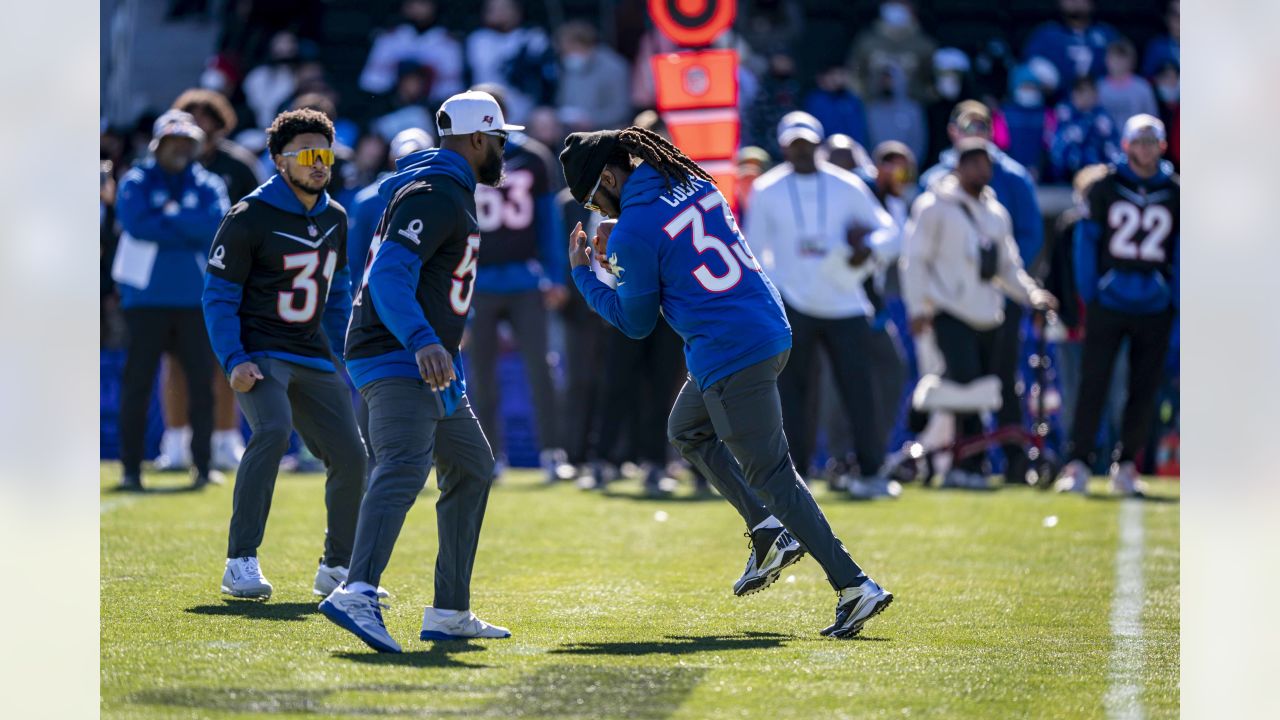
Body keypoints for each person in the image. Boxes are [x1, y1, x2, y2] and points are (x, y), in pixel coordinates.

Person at [561, 126, 894, 638]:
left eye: (595, 197)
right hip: (765, 327)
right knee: (687, 429)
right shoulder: (689, 178)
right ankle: (765, 531)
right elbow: (673, 246)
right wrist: (624, 243)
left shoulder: (633, 229)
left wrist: (587, 275)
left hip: (729, 350)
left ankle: (854, 585)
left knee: (774, 475)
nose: (598, 210)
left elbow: (636, 323)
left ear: (608, 176)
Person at [319, 90, 518, 652]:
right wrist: (424, 339)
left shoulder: (443, 188)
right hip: (399, 353)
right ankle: (356, 590)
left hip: (426, 359)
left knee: (473, 465)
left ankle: (449, 609)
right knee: (405, 463)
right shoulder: (435, 193)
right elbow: (386, 276)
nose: (503, 150)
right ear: (478, 139)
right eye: (500, 139)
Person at [202, 108, 369, 601]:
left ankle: (337, 567)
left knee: (352, 456)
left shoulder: (336, 216)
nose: (320, 164)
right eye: (308, 155)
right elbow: (217, 296)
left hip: (313, 354)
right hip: (262, 352)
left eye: (327, 155)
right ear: (279, 161)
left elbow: (337, 295)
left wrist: (346, 353)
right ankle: (240, 561)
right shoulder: (248, 215)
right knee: (273, 431)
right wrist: (234, 359)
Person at [745, 112, 898, 499]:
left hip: (845, 301)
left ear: (818, 143)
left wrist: (868, 249)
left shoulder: (846, 185)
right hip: (792, 302)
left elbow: (891, 232)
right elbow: (752, 251)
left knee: (859, 390)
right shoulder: (766, 188)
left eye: (808, 143)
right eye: (794, 144)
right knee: (794, 396)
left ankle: (872, 471)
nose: (801, 151)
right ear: (783, 147)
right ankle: (797, 478)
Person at [900, 138, 1056, 489]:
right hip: (949, 311)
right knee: (966, 386)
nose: (980, 170)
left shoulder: (995, 213)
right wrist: (917, 307)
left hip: (990, 313)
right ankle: (967, 466)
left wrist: (1032, 295)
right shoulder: (934, 206)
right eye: (972, 162)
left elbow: (1008, 266)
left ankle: (1005, 464)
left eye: (985, 163)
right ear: (958, 167)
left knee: (997, 391)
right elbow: (915, 260)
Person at [1054, 115, 1178, 497]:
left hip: (1155, 303)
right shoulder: (1105, 186)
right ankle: (1078, 462)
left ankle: (1125, 465)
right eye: (1137, 142)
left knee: (1143, 388)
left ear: (1162, 146)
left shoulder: (1175, 190)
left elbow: (1182, 249)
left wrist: (1173, 292)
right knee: (1094, 382)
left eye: (1150, 142)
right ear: (1125, 145)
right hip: (1110, 300)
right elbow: (1085, 243)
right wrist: (1092, 292)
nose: (1144, 149)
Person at [112, 110, 229, 492]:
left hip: (194, 299)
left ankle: (203, 464)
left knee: (202, 384)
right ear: (158, 144)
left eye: (187, 142)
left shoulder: (209, 183)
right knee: (138, 384)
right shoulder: (137, 180)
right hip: (145, 299)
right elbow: (135, 223)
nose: (180, 148)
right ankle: (131, 468)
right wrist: (184, 224)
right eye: (173, 141)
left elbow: (214, 224)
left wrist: (166, 220)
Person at [465, 85, 571, 483]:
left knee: (540, 369)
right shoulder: (464, 157)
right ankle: (491, 455)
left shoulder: (532, 156)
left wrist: (555, 275)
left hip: (524, 277)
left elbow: (547, 222)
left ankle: (552, 450)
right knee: (482, 372)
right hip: (480, 280)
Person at [169, 88, 267, 471]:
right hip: (178, 280)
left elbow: (259, 220)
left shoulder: (238, 165)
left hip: (234, 278)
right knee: (175, 362)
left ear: (219, 122)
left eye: (206, 118)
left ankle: (226, 439)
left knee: (227, 358)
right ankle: (175, 441)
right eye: (191, 118)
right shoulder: (165, 164)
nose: (200, 126)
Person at [464, 0, 557, 124]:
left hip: (525, 111)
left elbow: (547, 78)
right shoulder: (476, 40)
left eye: (505, 8)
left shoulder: (533, 38)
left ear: (517, 11)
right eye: (493, 8)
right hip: (482, 109)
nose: (499, 12)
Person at [358, 0, 464, 104]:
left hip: (432, 110)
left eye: (422, 3)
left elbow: (450, 91)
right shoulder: (389, 38)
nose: (416, 8)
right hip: (389, 106)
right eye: (411, 3)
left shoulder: (448, 43)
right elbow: (372, 84)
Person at [1022, 0, 1120, 101]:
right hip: (1054, 108)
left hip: (1102, 107)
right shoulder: (1044, 36)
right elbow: (1025, 76)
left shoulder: (1107, 35)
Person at [847, 0, 936, 104]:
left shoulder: (925, 45)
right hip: (872, 107)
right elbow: (854, 75)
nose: (896, 7)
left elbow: (931, 84)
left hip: (912, 109)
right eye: (892, 3)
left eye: (901, 3)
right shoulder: (866, 42)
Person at [554, 20, 632, 133]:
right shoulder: (569, 67)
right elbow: (563, 101)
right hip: (574, 135)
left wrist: (592, 120)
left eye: (569, 50)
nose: (566, 55)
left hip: (610, 135)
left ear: (581, 44)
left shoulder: (614, 67)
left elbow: (621, 110)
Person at [1048, 75, 1120, 181]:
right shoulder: (1063, 113)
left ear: (1095, 94)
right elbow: (1055, 145)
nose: (1084, 96)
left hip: (1096, 177)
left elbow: (1113, 151)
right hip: (1064, 176)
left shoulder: (1103, 119)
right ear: (1073, 93)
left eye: (1088, 92)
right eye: (1079, 91)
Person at [1097, 39, 1158, 132]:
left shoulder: (1143, 87)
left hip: (1136, 143)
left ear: (1132, 61)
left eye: (1122, 58)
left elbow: (1153, 121)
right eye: (1114, 57)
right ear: (1106, 60)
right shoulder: (1098, 87)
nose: (1118, 62)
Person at [803, 63, 869, 148]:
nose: (837, 78)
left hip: (854, 152)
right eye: (832, 74)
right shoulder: (814, 101)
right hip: (826, 153)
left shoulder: (853, 100)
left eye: (841, 74)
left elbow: (862, 132)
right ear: (822, 78)